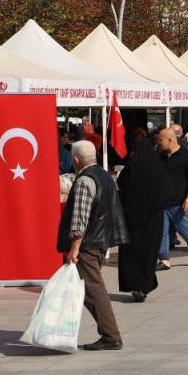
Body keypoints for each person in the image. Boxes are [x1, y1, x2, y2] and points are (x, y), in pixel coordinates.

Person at [60, 140, 127, 350]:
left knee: (93, 289)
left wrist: (74, 248)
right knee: (90, 288)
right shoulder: (104, 176)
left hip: (88, 244)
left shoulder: (84, 181)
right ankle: (107, 334)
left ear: (76, 159)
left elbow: (80, 218)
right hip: (101, 240)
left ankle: (111, 336)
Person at [117, 137, 169, 302]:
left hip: (131, 218)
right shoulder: (158, 168)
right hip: (153, 219)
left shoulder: (130, 168)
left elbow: (120, 184)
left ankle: (135, 284)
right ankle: (143, 286)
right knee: (148, 253)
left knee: (132, 253)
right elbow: (166, 191)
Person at [156, 128, 188, 269]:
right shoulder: (159, 156)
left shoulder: (187, 156)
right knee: (161, 232)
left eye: (161, 140)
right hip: (161, 201)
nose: (159, 143)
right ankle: (164, 260)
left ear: (170, 140)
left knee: (184, 230)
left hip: (179, 202)